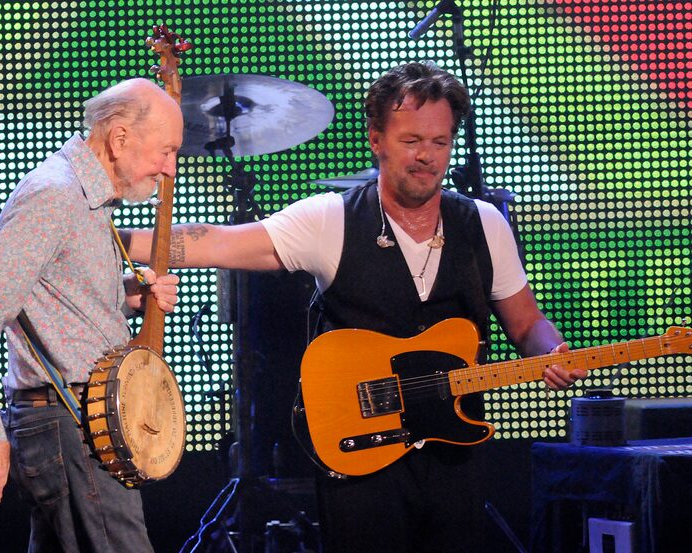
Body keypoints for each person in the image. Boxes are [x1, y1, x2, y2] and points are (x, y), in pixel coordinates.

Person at [119, 62, 587, 551]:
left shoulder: (485, 224)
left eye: (439, 143)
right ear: (376, 140)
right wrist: (120, 240)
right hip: (362, 458)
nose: (426, 156)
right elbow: (214, 243)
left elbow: (527, 322)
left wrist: (551, 349)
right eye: (411, 141)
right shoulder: (330, 220)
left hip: (455, 453)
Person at [0, 78, 182, 552]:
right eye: (166, 151)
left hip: (78, 424)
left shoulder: (85, 198)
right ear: (119, 139)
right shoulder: (55, 196)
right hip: (70, 426)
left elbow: (52, 292)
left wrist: (127, 293)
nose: (170, 168)